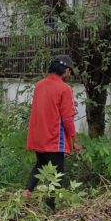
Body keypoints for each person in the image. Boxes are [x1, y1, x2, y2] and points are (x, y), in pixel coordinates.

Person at [22, 55, 82, 210]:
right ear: (66, 70)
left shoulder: (39, 85)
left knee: (40, 165)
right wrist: (74, 140)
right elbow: (67, 118)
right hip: (54, 137)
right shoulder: (64, 89)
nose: (69, 75)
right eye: (69, 72)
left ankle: (26, 192)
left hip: (38, 135)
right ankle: (50, 207)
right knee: (58, 175)